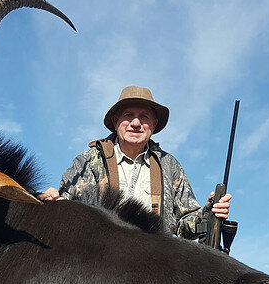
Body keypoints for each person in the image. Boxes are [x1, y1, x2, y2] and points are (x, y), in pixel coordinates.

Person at [39, 85, 232, 240]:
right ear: (116, 122)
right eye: (128, 115)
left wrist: (209, 213)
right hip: (98, 263)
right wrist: (54, 202)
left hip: (153, 266)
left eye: (144, 117)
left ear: (154, 125)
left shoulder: (169, 165)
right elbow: (69, 211)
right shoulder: (89, 160)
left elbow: (184, 227)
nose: (136, 123)